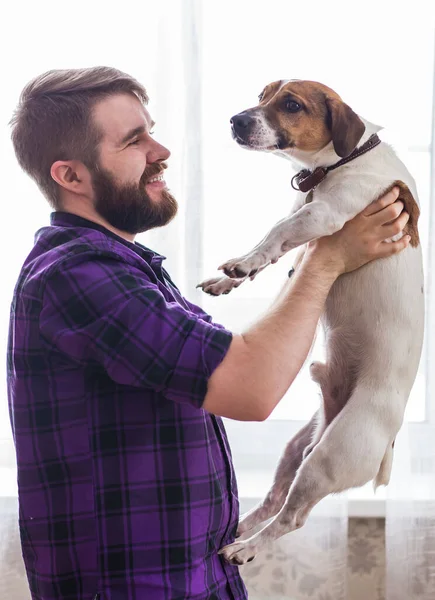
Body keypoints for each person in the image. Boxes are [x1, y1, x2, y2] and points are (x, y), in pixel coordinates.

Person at [7, 67, 410, 600]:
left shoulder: (128, 268)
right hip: (137, 587)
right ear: (72, 176)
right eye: (135, 140)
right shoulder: (78, 277)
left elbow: (225, 365)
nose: (162, 150)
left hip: (196, 577)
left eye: (150, 129)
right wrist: (328, 257)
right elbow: (250, 386)